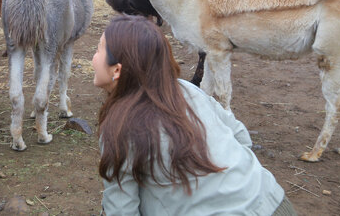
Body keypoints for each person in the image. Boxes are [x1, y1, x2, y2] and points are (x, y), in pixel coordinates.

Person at [92, 14, 295, 216]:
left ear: (117, 70)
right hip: (273, 202)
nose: (93, 59)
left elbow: (120, 211)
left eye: (98, 50)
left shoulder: (120, 126)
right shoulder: (186, 90)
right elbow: (241, 137)